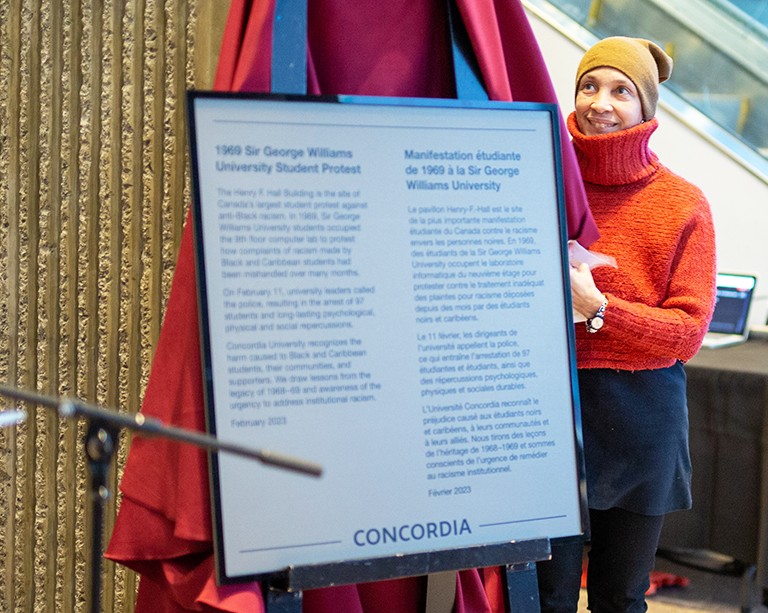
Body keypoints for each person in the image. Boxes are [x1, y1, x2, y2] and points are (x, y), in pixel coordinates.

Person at [536, 36, 717, 613]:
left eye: (621, 90)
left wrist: (599, 309)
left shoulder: (683, 204)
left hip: (641, 418)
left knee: (620, 595)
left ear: (647, 107)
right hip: (548, 414)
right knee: (548, 596)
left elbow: (687, 333)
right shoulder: (541, 185)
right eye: (589, 85)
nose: (600, 102)